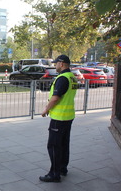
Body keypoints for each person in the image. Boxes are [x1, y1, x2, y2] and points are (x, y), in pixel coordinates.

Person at [39, 55, 78, 183]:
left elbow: (56, 98)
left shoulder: (62, 78)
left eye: (56, 63)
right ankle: (62, 168)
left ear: (61, 63)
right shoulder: (71, 77)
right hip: (68, 117)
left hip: (59, 118)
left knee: (54, 146)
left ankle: (54, 174)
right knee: (64, 144)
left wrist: (46, 110)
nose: (55, 66)